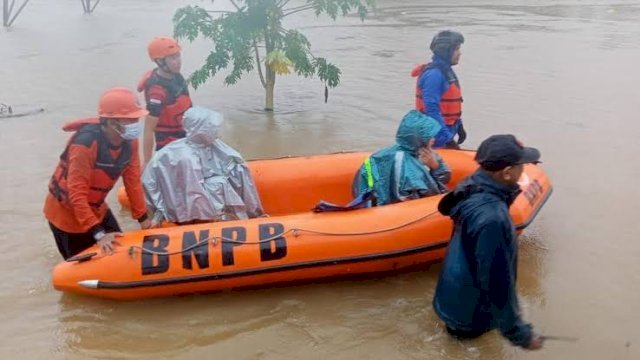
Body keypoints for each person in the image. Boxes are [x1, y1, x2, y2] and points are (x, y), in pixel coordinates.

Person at [432, 134, 544, 350]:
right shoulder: (493, 218)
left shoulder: (472, 185)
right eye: (520, 165)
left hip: (451, 294)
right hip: (470, 312)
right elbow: (496, 281)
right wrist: (520, 334)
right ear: (507, 172)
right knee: (468, 348)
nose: (524, 169)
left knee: (454, 343)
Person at [44, 88, 152, 259]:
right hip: (66, 216)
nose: (135, 124)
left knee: (121, 256)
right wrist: (98, 234)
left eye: (136, 119)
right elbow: (76, 194)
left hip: (96, 209)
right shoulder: (84, 145)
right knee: (82, 267)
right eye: (129, 120)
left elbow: (133, 182)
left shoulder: (129, 142)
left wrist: (144, 219)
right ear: (110, 122)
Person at [143, 107, 265, 224]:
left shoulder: (214, 146)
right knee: (216, 184)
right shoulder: (184, 157)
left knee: (225, 177)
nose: (216, 130)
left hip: (209, 206)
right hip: (194, 214)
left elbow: (238, 171)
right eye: (212, 127)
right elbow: (194, 193)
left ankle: (247, 219)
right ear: (200, 129)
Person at [352, 110, 451, 206]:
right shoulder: (410, 169)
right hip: (392, 212)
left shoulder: (382, 154)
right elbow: (433, 197)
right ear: (421, 138)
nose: (434, 139)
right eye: (431, 136)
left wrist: (436, 167)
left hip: (375, 204)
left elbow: (363, 179)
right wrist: (436, 169)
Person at [138, 36, 193, 165]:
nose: (178, 61)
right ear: (160, 61)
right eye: (173, 58)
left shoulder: (177, 77)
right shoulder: (156, 91)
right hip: (169, 146)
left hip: (186, 138)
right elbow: (148, 129)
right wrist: (147, 161)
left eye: (178, 56)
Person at [411, 30, 466, 149]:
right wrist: (447, 139)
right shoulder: (434, 75)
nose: (460, 53)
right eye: (456, 49)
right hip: (434, 137)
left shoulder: (446, 71)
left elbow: (447, 106)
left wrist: (459, 126)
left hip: (445, 132)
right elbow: (431, 110)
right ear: (446, 51)